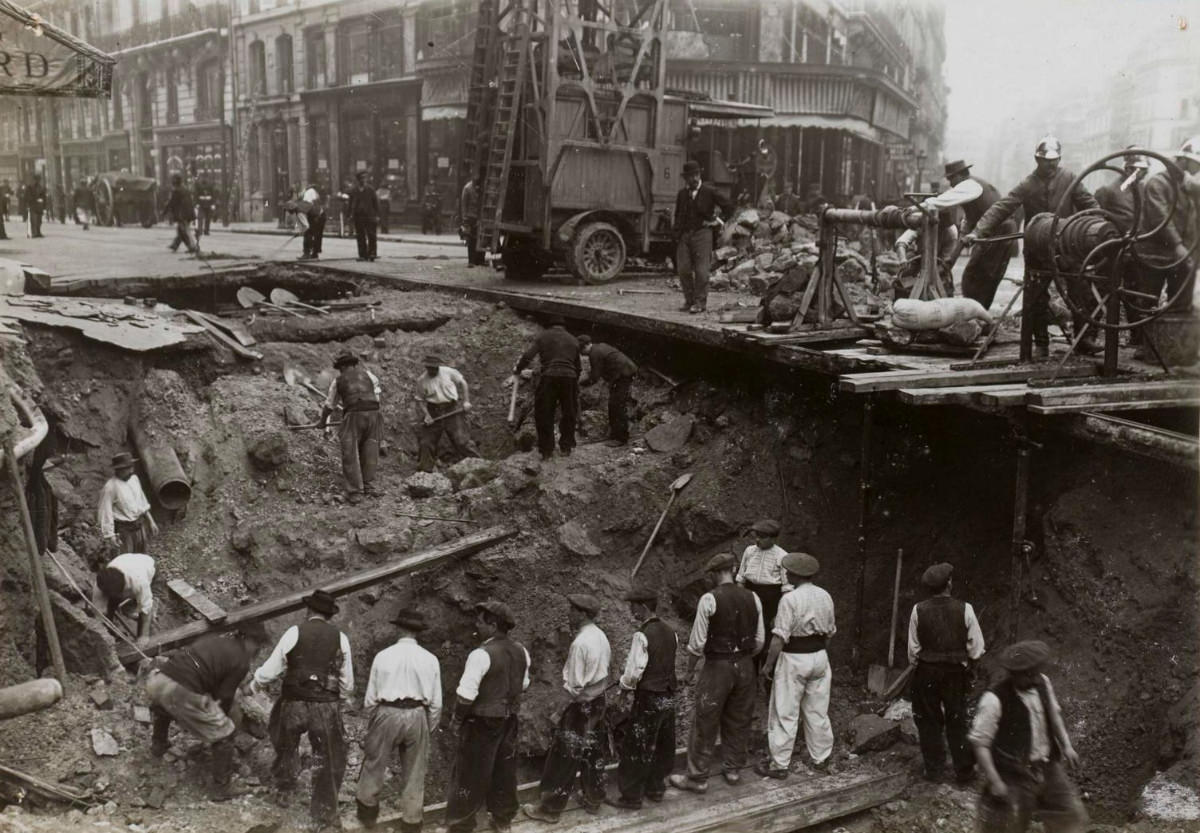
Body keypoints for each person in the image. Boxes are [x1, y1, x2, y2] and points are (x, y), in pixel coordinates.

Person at [966, 136, 1101, 358]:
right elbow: (1002, 207)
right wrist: (978, 231)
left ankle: (1084, 339)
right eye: (1047, 161)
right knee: (1036, 296)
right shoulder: (1028, 184)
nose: (1052, 165)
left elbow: (1090, 204)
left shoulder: (1069, 178)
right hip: (1037, 248)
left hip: (1065, 246)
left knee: (1081, 290)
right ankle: (1041, 343)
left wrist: (1098, 227)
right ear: (1037, 160)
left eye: (1056, 160)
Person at [252, 589, 354, 831]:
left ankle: (284, 790)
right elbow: (346, 680)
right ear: (330, 615)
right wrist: (343, 699)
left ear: (309, 610)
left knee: (286, 744)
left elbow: (272, 669)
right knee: (330, 754)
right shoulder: (340, 638)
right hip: (325, 706)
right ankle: (324, 812)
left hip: (294, 702)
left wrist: (255, 683)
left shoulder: (294, 632)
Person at [669, 552, 764, 793]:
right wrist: (744, 659)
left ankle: (697, 777)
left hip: (717, 666)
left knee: (705, 719)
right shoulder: (753, 597)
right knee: (739, 717)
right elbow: (760, 640)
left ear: (714, 574)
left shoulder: (709, 599)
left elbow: (697, 643)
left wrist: (690, 671)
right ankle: (732, 769)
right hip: (745, 665)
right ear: (732, 570)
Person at [969, 640, 1088, 833]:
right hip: (1013, 775)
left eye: (1036, 672)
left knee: (1070, 815)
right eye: (1028, 675)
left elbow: (1054, 715)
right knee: (1008, 826)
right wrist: (996, 781)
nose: (1034, 678)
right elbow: (980, 744)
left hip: (1047, 766)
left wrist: (1066, 746)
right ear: (1014, 674)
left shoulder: (1042, 682)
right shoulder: (993, 699)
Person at [146, 622, 270, 800]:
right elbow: (225, 696)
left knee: (164, 707)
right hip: (181, 691)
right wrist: (221, 722)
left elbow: (205, 673)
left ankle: (159, 743)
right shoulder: (241, 660)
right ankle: (221, 787)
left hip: (157, 681)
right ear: (249, 640)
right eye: (258, 645)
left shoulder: (215, 639)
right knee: (225, 733)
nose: (257, 650)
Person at [523, 594, 611, 823]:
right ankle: (594, 798)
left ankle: (550, 809)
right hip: (598, 702)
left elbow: (573, 687)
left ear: (582, 614)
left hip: (581, 706)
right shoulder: (600, 636)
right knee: (593, 751)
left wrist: (558, 712)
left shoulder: (580, 643)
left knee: (564, 755)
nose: (568, 614)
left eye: (572, 610)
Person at [445, 600, 531, 833]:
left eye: (480, 621)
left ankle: (461, 824)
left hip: (482, 722)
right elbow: (524, 685)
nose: (476, 624)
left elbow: (465, 695)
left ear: (492, 625)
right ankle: (503, 819)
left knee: (470, 772)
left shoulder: (480, 654)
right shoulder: (521, 651)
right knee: (505, 769)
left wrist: (456, 720)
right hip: (509, 719)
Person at [355, 609, 442, 833]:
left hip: (387, 711)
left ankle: (367, 816)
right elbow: (436, 702)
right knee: (415, 771)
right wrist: (427, 725)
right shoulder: (430, 659)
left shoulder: (383, 656)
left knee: (374, 763)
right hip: (417, 713)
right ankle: (411, 823)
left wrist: (373, 721)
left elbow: (370, 698)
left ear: (399, 628)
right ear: (417, 632)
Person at [754, 552, 835, 779]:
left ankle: (779, 764)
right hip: (819, 656)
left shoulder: (789, 599)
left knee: (785, 710)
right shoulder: (825, 596)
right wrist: (819, 653)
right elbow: (830, 633)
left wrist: (768, 665)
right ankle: (821, 758)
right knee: (817, 710)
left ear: (796, 575)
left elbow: (779, 638)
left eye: (788, 572)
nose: (786, 574)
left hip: (794, 658)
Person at [907, 562, 985, 784]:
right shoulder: (965, 608)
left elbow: (913, 650)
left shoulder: (917, 610)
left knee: (929, 721)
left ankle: (934, 771)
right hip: (954, 673)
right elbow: (977, 647)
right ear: (949, 583)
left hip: (927, 672)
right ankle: (964, 772)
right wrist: (969, 663)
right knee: (957, 720)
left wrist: (920, 664)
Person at [608, 586, 678, 810]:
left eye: (634, 606)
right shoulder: (671, 631)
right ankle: (656, 788)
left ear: (644, 607)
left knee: (636, 744)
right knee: (662, 742)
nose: (631, 611)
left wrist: (623, 691)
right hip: (667, 695)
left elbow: (634, 672)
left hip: (649, 697)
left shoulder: (642, 635)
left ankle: (631, 797)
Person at [916, 159, 1018, 309]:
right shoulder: (973, 188)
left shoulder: (969, 185)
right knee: (980, 276)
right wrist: (951, 260)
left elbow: (943, 201)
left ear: (961, 175)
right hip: (994, 231)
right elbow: (967, 225)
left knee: (979, 276)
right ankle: (976, 313)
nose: (951, 183)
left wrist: (917, 207)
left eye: (951, 179)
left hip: (1000, 231)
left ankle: (976, 315)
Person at [1138, 136, 1199, 317]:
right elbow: (1160, 217)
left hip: (1180, 255)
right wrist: (1178, 245)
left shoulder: (1188, 187)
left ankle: (1170, 343)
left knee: (1180, 305)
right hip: (1154, 254)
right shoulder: (1158, 183)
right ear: (1184, 161)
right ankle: (1143, 342)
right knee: (1147, 301)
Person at [318, 351, 383, 503]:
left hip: (354, 415)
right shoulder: (370, 376)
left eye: (340, 368)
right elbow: (377, 398)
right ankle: (368, 486)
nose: (340, 371)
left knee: (350, 452)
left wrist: (322, 422)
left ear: (344, 366)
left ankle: (355, 491)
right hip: (374, 414)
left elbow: (329, 406)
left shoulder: (338, 381)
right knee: (371, 449)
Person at [513, 316, 581, 460]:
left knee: (544, 412)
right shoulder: (573, 340)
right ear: (564, 327)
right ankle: (566, 447)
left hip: (549, 376)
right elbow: (578, 367)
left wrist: (518, 369)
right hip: (569, 377)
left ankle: (546, 450)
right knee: (569, 412)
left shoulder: (543, 336)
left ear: (549, 326)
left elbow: (528, 355)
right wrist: (574, 383)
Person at [673, 160, 729, 314]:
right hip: (685, 234)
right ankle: (689, 300)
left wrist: (717, 222)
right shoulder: (682, 194)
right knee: (683, 269)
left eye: (695, 175)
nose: (692, 179)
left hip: (703, 233)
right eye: (689, 177)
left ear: (699, 175)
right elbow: (678, 215)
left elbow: (729, 206)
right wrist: (677, 234)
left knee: (702, 271)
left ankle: (700, 303)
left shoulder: (709, 191)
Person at [734, 519, 790, 674]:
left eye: (762, 537)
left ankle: (766, 679)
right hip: (750, 597)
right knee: (747, 637)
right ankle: (747, 679)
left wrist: (778, 614)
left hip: (771, 601)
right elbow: (740, 579)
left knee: (766, 641)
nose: (757, 540)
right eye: (756, 536)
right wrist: (740, 602)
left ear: (773, 538)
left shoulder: (782, 556)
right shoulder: (749, 551)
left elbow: (786, 589)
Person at [414, 354, 479, 472]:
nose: (432, 370)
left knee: (462, 441)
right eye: (430, 368)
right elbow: (419, 400)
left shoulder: (448, 372)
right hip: (434, 412)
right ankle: (425, 473)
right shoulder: (422, 380)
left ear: (438, 366)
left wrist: (466, 401)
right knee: (426, 443)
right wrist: (427, 415)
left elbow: (463, 383)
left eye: (435, 367)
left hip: (452, 409)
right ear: (426, 367)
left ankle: (480, 465)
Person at [577, 335, 637, 447]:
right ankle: (617, 434)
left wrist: (581, 383)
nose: (581, 354)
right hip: (624, 372)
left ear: (584, 347)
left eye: (581, 351)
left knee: (616, 405)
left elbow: (595, 376)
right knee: (615, 404)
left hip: (623, 375)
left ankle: (620, 438)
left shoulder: (594, 353)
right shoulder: (600, 346)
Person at [97, 451, 158, 557]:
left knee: (141, 556)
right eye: (127, 468)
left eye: (131, 467)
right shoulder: (110, 487)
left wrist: (151, 521)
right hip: (124, 531)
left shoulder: (134, 479)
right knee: (126, 559)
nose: (131, 471)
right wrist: (111, 536)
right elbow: (105, 512)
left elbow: (142, 502)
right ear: (118, 469)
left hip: (139, 526)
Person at [93, 552, 156, 643]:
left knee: (148, 613)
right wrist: (104, 637)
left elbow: (146, 608)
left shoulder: (140, 582)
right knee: (110, 606)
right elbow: (99, 614)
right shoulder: (100, 585)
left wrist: (143, 636)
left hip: (149, 567)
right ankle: (111, 634)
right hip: (124, 564)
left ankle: (150, 633)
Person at [1094, 147, 1149, 235]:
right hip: (1118, 242)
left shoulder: (1143, 189)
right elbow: (1096, 220)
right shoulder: (1107, 191)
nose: (1145, 174)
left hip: (1140, 241)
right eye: (1142, 170)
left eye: (1146, 170)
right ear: (1128, 169)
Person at [163, 174, 198, 254]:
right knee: (181, 230)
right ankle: (175, 244)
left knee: (184, 230)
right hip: (189, 212)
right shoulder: (185, 189)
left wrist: (164, 212)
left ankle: (193, 246)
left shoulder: (176, 190)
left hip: (183, 214)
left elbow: (171, 202)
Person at [350, 170, 380, 262]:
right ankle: (362, 255)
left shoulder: (370, 190)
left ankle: (372, 253)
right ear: (358, 180)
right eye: (362, 178)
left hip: (370, 215)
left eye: (365, 178)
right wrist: (350, 214)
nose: (364, 180)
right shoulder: (354, 190)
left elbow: (376, 203)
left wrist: (377, 215)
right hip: (358, 216)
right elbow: (351, 203)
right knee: (360, 235)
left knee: (371, 235)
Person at [459, 177, 484, 266]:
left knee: (480, 238)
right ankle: (471, 261)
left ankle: (480, 260)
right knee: (472, 239)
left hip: (478, 217)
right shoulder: (467, 188)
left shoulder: (480, 187)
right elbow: (464, 204)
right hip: (470, 217)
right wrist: (465, 218)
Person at [300, 181, 326, 260]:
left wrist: (315, 217)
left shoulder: (309, 192)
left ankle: (307, 253)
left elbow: (312, 205)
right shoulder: (312, 192)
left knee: (309, 233)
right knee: (316, 235)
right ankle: (314, 253)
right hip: (318, 215)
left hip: (316, 215)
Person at [27, 174, 46, 238]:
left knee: (39, 220)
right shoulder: (30, 187)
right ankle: (34, 233)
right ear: (34, 179)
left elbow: (43, 196)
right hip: (33, 205)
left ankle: (38, 232)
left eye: (39, 179)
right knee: (33, 220)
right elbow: (28, 196)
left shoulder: (41, 187)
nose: (38, 181)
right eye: (37, 179)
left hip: (39, 206)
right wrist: (34, 200)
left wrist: (43, 202)